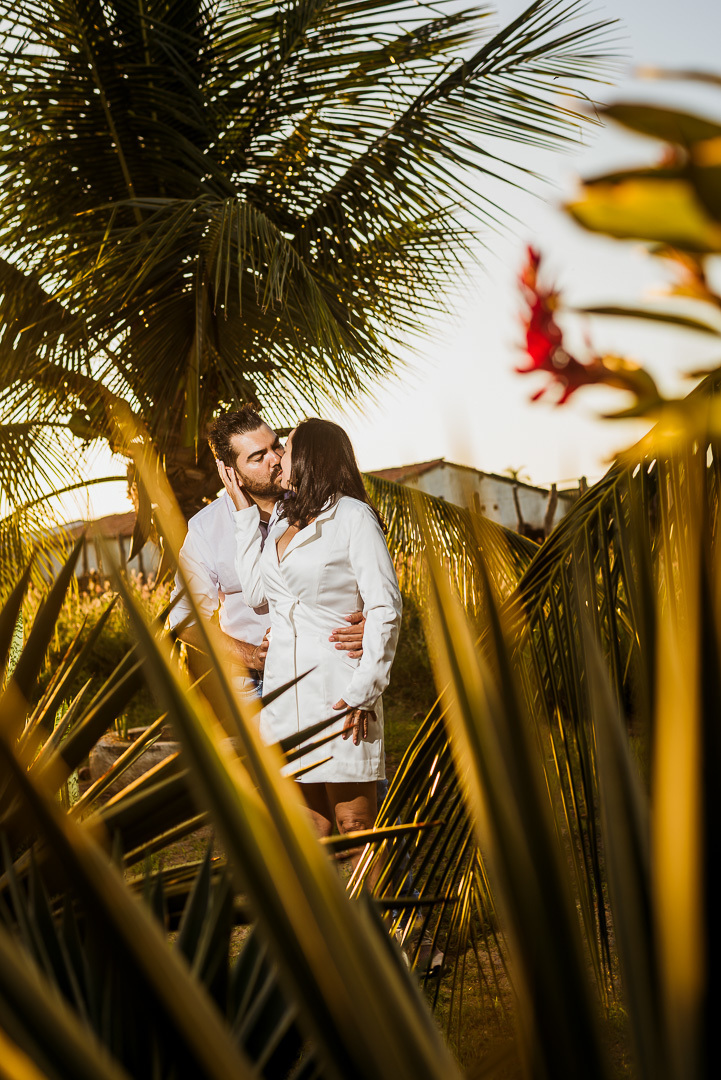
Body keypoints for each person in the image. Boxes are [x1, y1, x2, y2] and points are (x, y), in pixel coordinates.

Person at [220, 417, 402, 862]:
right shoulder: (284, 517)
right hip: (285, 695)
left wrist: (363, 692)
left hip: (341, 691)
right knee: (310, 831)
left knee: (355, 825)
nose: (278, 457)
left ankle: (381, 910)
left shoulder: (352, 516)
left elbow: (385, 606)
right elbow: (257, 594)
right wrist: (243, 513)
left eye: (286, 447)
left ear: (311, 457)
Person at [168, 408, 366, 706]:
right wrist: (252, 657)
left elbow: (366, 577)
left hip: (327, 666)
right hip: (254, 685)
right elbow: (184, 619)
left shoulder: (319, 504)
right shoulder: (205, 529)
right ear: (230, 472)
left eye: (276, 446)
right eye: (258, 457)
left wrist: (370, 622)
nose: (275, 459)